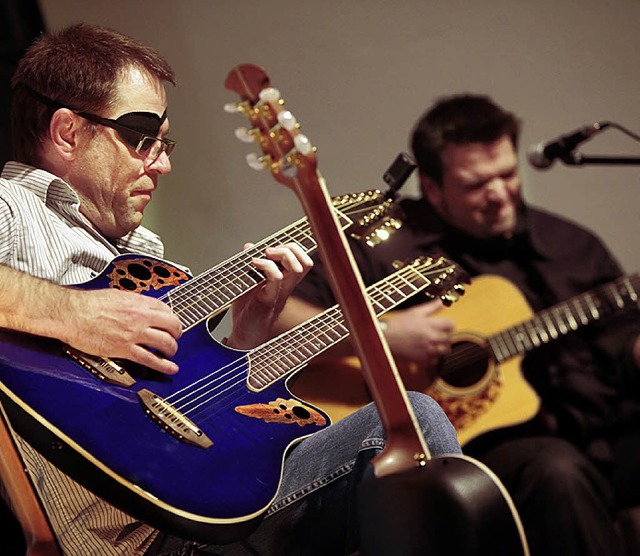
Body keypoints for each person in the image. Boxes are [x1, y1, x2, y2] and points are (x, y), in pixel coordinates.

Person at [0, 23, 462, 556]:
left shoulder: (143, 256)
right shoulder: (15, 208)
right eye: (142, 137)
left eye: (164, 143)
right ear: (67, 132)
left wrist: (250, 329)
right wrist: (76, 314)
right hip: (130, 534)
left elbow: (183, 414)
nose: (164, 163)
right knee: (413, 421)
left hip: (200, 502)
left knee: (409, 428)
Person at [276, 94, 640, 556]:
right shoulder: (387, 238)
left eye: (507, 174)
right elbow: (280, 313)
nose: (499, 193)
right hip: (461, 450)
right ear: (432, 187)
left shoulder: (570, 244)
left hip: (596, 431)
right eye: (475, 184)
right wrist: (385, 334)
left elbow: (623, 335)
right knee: (556, 471)